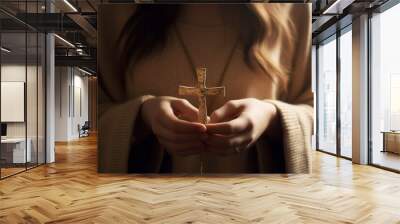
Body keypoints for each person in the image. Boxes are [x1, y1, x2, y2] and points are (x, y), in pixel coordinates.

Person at [98, 3, 313, 173]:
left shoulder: (293, 12)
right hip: (151, 201)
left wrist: (270, 115)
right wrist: (142, 115)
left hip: (253, 199)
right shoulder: (117, 14)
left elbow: (309, 108)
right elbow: (100, 109)